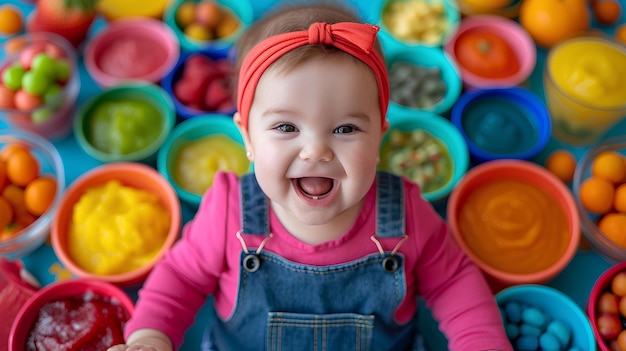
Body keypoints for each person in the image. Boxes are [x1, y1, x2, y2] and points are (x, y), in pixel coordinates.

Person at [109, 2, 513, 350]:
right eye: (286, 127)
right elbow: (179, 278)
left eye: (346, 129)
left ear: (379, 138)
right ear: (247, 137)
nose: (316, 150)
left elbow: (454, 283)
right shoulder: (229, 210)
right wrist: (151, 335)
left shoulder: (406, 214)